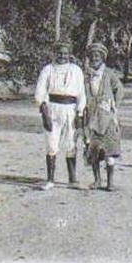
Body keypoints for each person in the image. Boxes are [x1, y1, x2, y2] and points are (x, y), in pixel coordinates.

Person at [34, 40, 87, 190]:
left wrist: (80, 112)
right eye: (59, 53)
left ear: (70, 54)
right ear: (54, 53)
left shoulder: (76, 70)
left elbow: (81, 93)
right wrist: (44, 112)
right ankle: (50, 179)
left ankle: (72, 179)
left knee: (71, 143)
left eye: (65, 53)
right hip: (53, 108)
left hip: (71, 108)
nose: (62, 56)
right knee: (51, 143)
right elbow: (40, 91)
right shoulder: (48, 69)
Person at [82, 42, 125, 191]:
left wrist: (114, 105)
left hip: (107, 117)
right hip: (91, 117)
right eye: (92, 56)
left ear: (102, 58)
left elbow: (119, 90)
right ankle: (97, 180)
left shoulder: (109, 74)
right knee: (93, 150)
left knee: (109, 150)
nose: (95, 58)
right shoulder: (86, 75)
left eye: (97, 56)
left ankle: (110, 182)